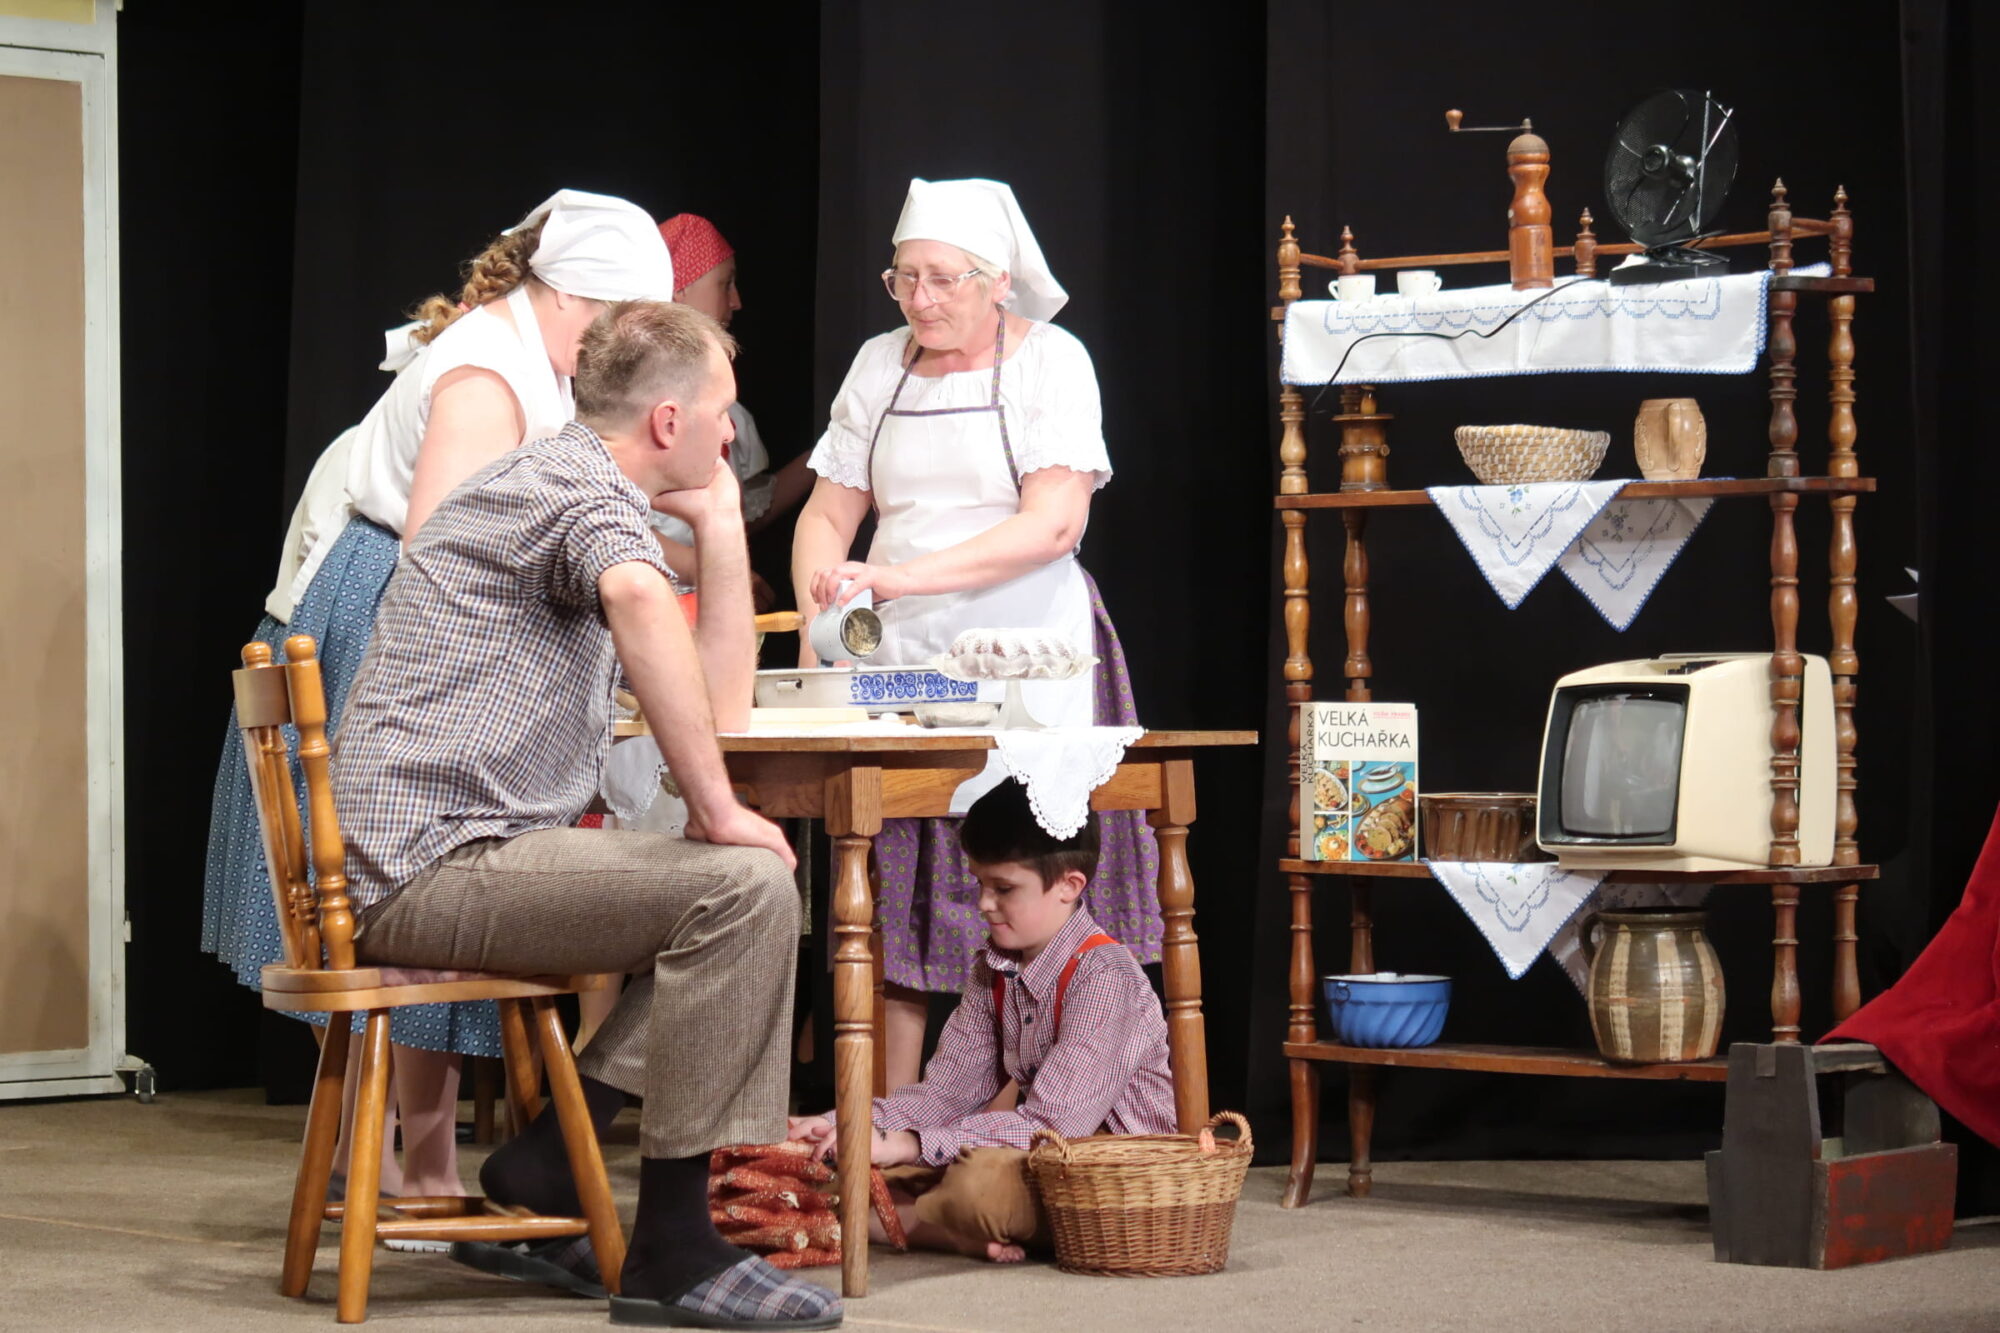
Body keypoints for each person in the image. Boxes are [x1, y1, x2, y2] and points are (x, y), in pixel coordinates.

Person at [336, 299, 840, 1329]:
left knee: (737, 891)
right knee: (744, 887)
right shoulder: (573, 488)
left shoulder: (573, 483)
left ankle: (554, 1160)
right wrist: (714, 809)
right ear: (668, 421)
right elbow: (643, 602)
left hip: (459, 851)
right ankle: (672, 1251)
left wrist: (716, 523)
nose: (729, 437)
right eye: (722, 415)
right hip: (432, 863)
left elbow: (724, 706)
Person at [202, 189, 676, 1203]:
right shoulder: (486, 374)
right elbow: (440, 546)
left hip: (421, 607)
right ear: (573, 299)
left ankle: (413, 1155)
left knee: (444, 883)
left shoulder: (530, 360)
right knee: (416, 874)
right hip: (400, 615)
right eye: (623, 323)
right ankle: (391, 1154)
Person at [790, 176, 1160, 1092]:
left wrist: (899, 577)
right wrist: (819, 624)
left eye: (942, 279)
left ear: (998, 281)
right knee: (894, 893)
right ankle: (882, 1126)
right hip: (897, 661)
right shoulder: (879, 365)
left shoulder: (1051, 362)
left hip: (1025, 657)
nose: (919, 299)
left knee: (1020, 879)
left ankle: (1037, 1117)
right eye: (903, 278)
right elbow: (827, 514)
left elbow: (1053, 524)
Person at [786, 778, 1174, 1262]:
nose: (984, 903)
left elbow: (1055, 1129)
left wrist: (907, 1145)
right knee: (836, 1165)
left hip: (1109, 1176)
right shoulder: (995, 968)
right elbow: (944, 1095)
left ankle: (903, 1220)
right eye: (980, 884)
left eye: (1003, 888)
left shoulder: (1105, 976)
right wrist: (843, 1126)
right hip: (1045, 1158)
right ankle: (914, 1219)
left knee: (977, 1183)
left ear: (1069, 886)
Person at [648, 212, 813, 599]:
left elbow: (740, 514)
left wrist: (833, 451)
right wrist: (717, 573)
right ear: (679, 289)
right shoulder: (633, 398)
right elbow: (614, 523)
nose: (736, 301)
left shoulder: (729, 409)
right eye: (725, 284)